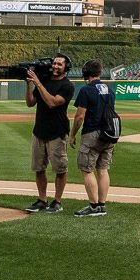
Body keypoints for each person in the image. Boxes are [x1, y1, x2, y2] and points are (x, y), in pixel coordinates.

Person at [24, 54, 74, 214]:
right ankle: (42, 200)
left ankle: (57, 201)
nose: (55, 66)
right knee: (39, 168)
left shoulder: (67, 86)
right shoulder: (44, 81)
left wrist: (38, 83)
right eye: (54, 63)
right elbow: (30, 103)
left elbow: (52, 102)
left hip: (57, 132)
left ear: (66, 68)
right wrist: (29, 85)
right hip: (39, 130)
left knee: (60, 169)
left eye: (59, 64)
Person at [68, 59, 115, 218]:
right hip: (109, 134)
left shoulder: (86, 90)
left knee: (87, 170)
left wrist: (73, 134)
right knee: (103, 170)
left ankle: (93, 206)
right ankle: (101, 205)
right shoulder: (109, 89)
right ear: (100, 72)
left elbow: (80, 116)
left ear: (85, 73)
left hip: (92, 133)